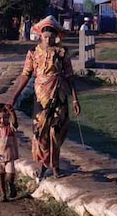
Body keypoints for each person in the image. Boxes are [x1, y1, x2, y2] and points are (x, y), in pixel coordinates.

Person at [10, 15, 81, 182]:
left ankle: (55, 166)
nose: (48, 40)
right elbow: (26, 76)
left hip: (59, 94)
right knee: (40, 132)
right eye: (45, 37)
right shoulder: (33, 54)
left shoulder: (62, 53)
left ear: (55, 37)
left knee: (56, 132)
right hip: (41, 97)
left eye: (51, 37)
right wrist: (14, 96)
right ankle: (42, 166)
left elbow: (70, 77)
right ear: (40, 36)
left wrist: (75, 99)